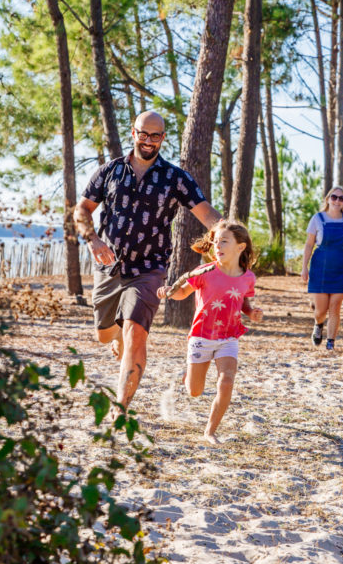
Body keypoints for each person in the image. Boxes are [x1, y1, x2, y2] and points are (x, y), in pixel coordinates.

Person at [75, 110, 220, 409]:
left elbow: (206, 213)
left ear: (163, 138)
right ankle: (116, 334)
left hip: (150, 267)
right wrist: (92, 239)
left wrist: (232, 236)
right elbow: (82, 210)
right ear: (133, 133)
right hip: (109, 264)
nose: (149, 140)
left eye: (155, 135)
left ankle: (121, 406)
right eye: (143, 133)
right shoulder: (109, 171)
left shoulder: (175, 178)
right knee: (104, 335)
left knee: (136, 333)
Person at [160, 220, 262, 444]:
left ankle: (210, 431)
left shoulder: (248, 277)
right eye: (215, 242)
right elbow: (182, 293)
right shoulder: (204, 271)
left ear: (240, 247)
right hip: (201, 337)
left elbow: (242, 300)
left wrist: (251, 312)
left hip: (228, 337)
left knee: (226, 382)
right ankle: (188, 375)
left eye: (224, 241)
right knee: (194, 391)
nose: (217, 246)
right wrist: (169, 292)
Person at [301, 186, 343, 353]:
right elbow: (309, 244)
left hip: (342, 266)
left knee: (335, 307)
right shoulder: (317, 219)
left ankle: (331, 342)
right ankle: (318, 324)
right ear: (328, 199)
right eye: (334, 197)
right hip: (321, 267)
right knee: (321, 310)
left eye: (341, 198)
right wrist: (304, 267)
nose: (337, 201)